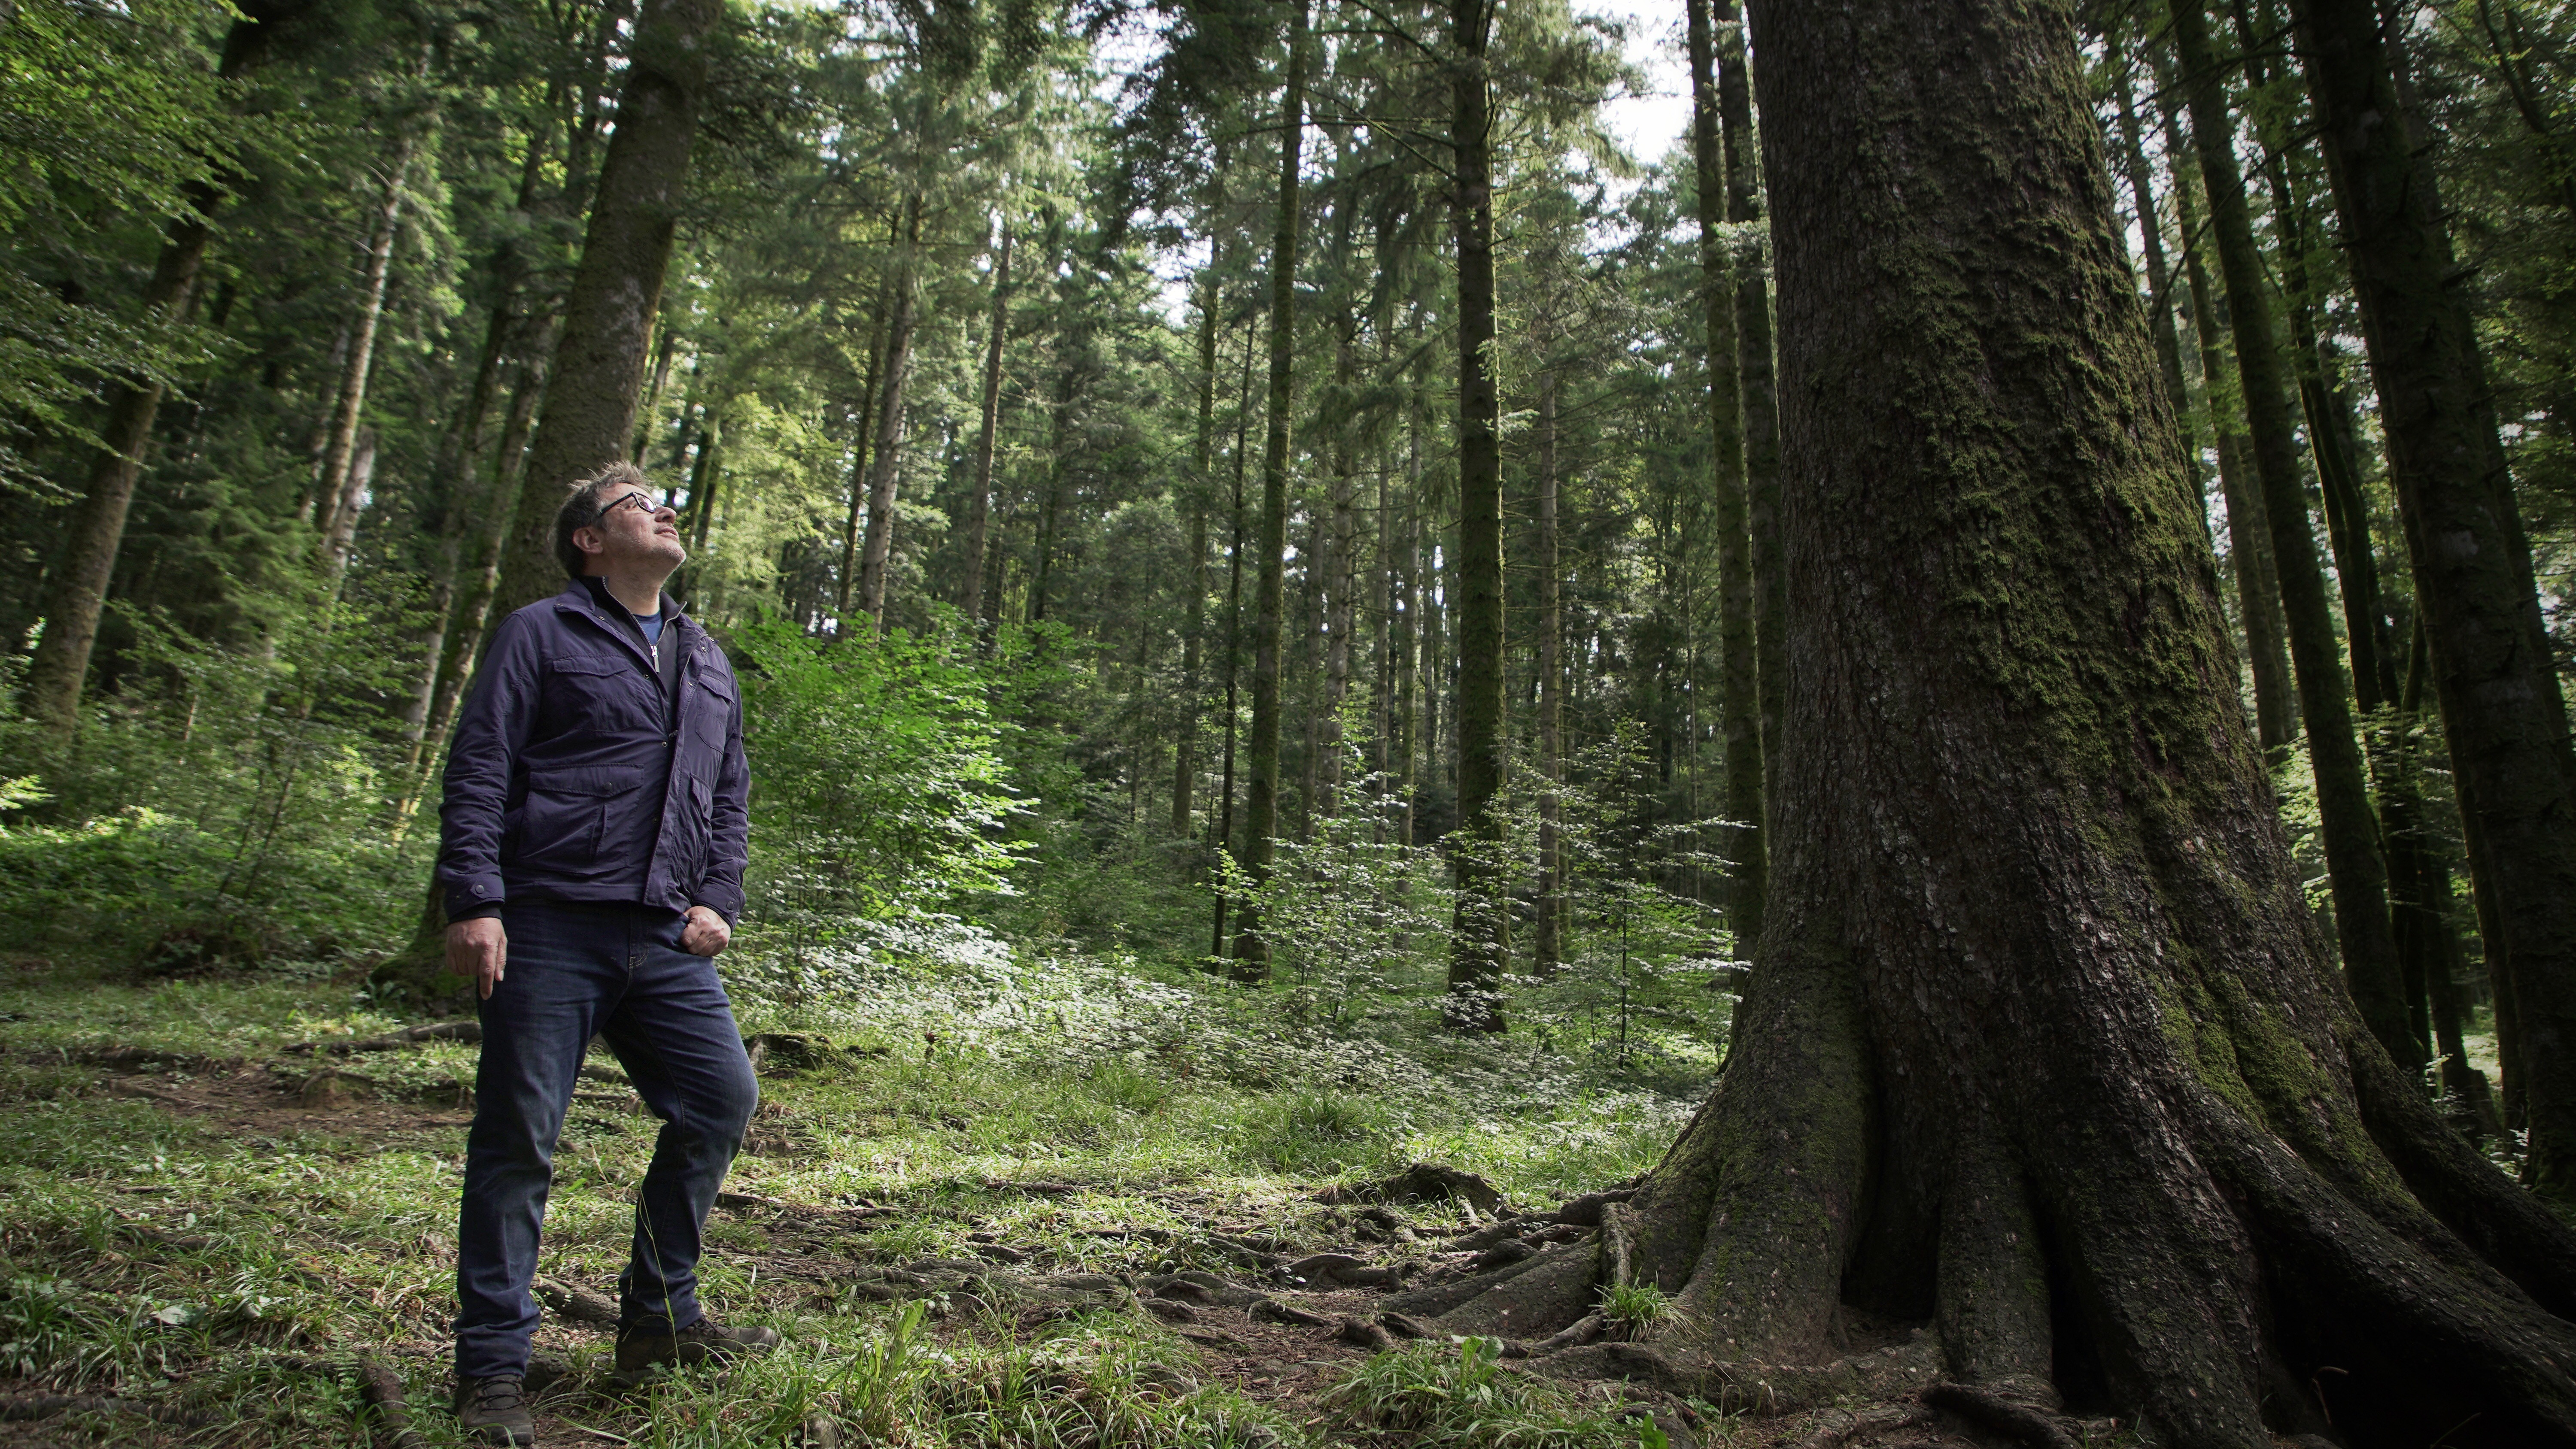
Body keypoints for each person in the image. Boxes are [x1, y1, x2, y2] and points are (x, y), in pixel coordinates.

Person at [435, 461, 774, 1446]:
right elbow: (483, 760)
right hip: (545, 922)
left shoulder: (708, 656)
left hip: (664, 936)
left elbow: (728, 799)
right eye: (637, 504)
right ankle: (492, 1366)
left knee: (721, 1098)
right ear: (590, 540)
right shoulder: (541, 632)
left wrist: (719, 895)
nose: (664, 510)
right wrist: (477, 899)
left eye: (665, 502)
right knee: (520, 1138)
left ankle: (660, 1321)